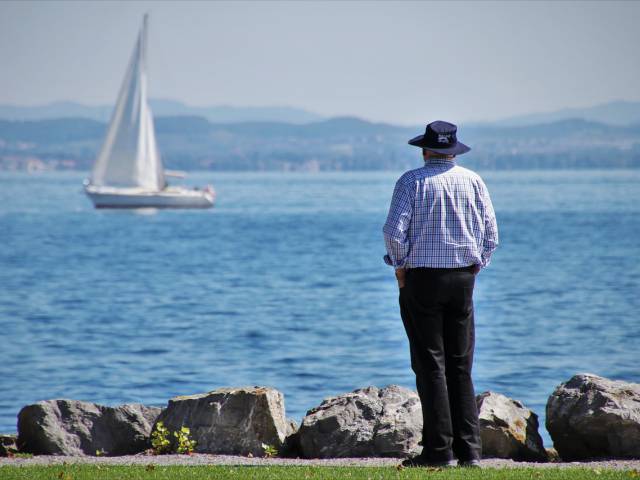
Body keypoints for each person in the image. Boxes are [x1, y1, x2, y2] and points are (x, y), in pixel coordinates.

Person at [383, 120, 498, 468]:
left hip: (422, 280)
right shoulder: (473, 180)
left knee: (430, 365)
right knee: (461, 366)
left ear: (425, 150)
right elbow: (491, 234)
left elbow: (392, 231)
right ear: (453, 151)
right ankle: (470, 453)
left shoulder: (410, 181)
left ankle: (438, 452)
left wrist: (400, 267)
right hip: (463, 279)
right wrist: (476, 266)